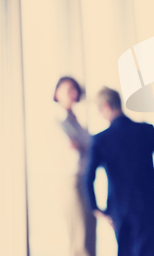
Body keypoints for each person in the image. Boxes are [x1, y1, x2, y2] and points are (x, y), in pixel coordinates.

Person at [84, 87, 154, 256]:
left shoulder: (100, 140)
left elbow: (88, 178)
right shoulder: (147, 130)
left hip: (119, 207)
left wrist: (96, 209)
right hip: (147, 202)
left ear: (105, 106)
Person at [53, 76, 96, 256]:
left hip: (84, 179)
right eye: (67, 88)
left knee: (89, 231)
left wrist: (81, 145)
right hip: (71, 181)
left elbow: (86, 147)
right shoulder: (56, 119)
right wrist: (81, 146)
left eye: (74, 89)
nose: (72, 93)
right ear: (57, 92)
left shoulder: (77, 121)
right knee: (79, 236)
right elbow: (73, 150)